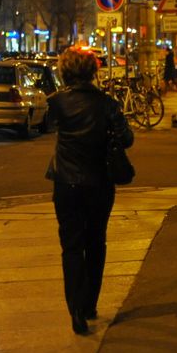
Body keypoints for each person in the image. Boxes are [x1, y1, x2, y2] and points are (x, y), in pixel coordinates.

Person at [45, 47, 134, 335]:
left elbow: (47, 125)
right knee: (96, 242)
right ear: (92, 71)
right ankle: (90, 303)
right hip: (99, 183)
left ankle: (75, 311)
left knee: (71, 246)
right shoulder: (107, 103)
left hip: (66, 184)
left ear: (65, 72)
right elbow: (127, 138)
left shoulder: (57, 102)